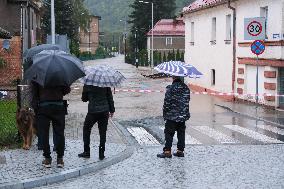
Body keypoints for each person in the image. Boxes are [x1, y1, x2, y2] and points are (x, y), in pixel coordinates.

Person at [33, 82, 70, 168]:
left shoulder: (38, 75)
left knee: (44, 133)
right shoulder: (61, 75)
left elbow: (34, 93)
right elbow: (66, 90)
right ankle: (60, 159)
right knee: (59, 133)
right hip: (58, 107)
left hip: (43, 107)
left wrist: (35, 108)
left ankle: (47, 159)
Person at [78, 85, 115, 160]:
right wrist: (112, 110)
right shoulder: (105, 83)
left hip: (92, 112)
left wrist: (89, 94)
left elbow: (84, 99)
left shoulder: (88, 83)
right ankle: (101, 154)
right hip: (104, 111)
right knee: (102, 132)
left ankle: (86, 152)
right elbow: (109, 97)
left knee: (86, 129)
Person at [157, 76, 190, 158]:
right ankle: (180, 151)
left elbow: (167, 103)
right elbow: (187, 101)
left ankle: (167, 151)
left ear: (173, 78)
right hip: (182, 115)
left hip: (171, 115)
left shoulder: (170, 88)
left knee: (169, 133)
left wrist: (165, 114)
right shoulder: (186, 88)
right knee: (181, 133)